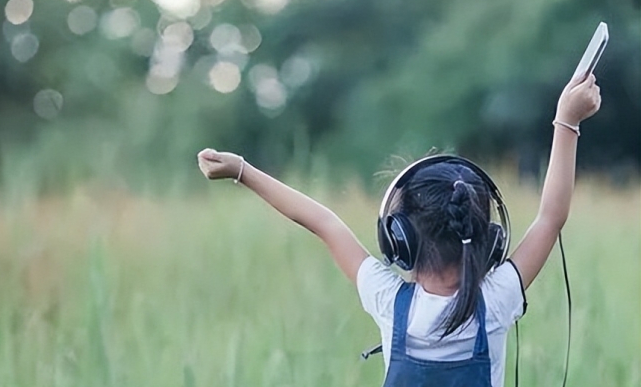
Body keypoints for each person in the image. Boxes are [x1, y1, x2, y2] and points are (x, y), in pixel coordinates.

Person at [196, 73, 601, 387]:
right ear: (490, 242)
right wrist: (567, 121)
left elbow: (322, 221)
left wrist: (242, 171)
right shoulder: (497, 302)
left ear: (399, 240)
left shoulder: (390, 301)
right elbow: (551, 216)